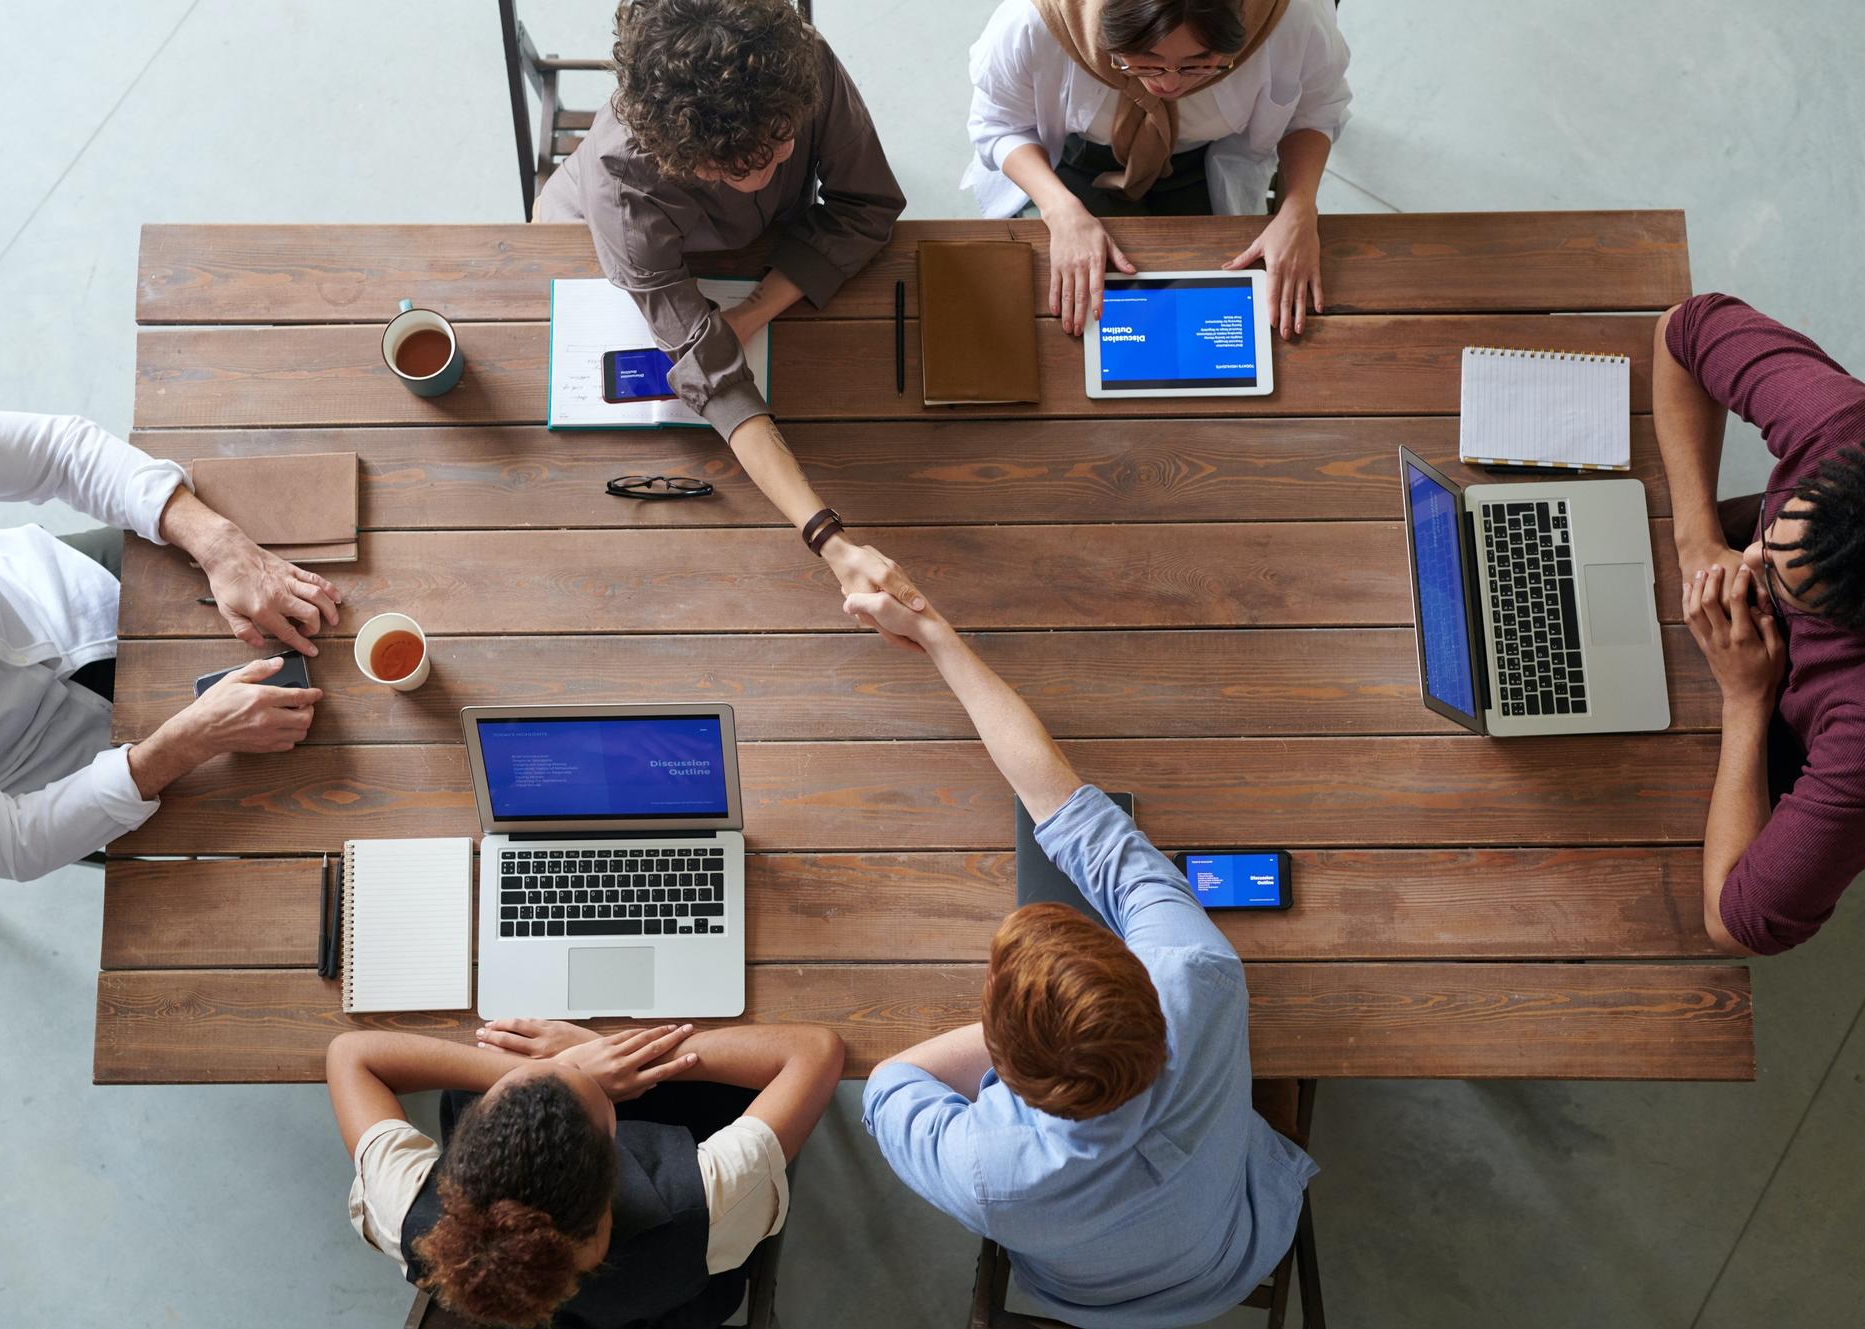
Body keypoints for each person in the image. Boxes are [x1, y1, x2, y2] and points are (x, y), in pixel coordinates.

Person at [844, 585, 1315, 1327]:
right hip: (1236, 1247)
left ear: (1001, 1068)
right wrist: (935, 629)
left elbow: (888, 1085)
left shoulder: (987, 1171)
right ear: (1139, 978)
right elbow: (1073, 812)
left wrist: (933, 631)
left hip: (1086, 1299)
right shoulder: (1195, 974)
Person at [539, 0, 923, 620]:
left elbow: (867, 203)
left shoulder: (792, 66)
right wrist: (829, 539)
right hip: (602, 242)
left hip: (756, 252)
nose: (790, 154)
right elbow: (713, 378)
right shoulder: (623, 185)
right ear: (692, 163)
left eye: (787, 139)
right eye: (762, 163)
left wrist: (752, 312)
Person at [0, 405, 338, 881]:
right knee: (282, 828)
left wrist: (219, 545)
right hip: (56, 771)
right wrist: (190, 741)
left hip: (68, 584)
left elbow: (59, 452)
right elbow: (12, 841)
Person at [326, 1018, 843, 1328]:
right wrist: (625, 1051)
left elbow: (351, 1054)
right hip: (676, 1303)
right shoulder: (708, 1203)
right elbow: (817, 1050)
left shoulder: (408, 1216)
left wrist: (565, 1066)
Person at [1652, 292, 1865, 955]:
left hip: (1768, 710)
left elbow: (1735, 921)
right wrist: (1697, 542)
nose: (1750, 558)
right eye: (1772, 533)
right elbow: (1683, 327)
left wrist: (1747, 698)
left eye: (1778, 578)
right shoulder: (1844, 426)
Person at [965, 0, 1351, 339]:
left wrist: (1300, 206)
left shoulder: (1292, 17)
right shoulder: (1033, 22)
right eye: (1145, 64)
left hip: (1204, 158)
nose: (1168, 84)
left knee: (1219, 303)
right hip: (1077, 160)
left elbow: (1313, 113)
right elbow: (1000, 125)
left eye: (1198, 66)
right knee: (1090, 306)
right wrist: (1061, 211)